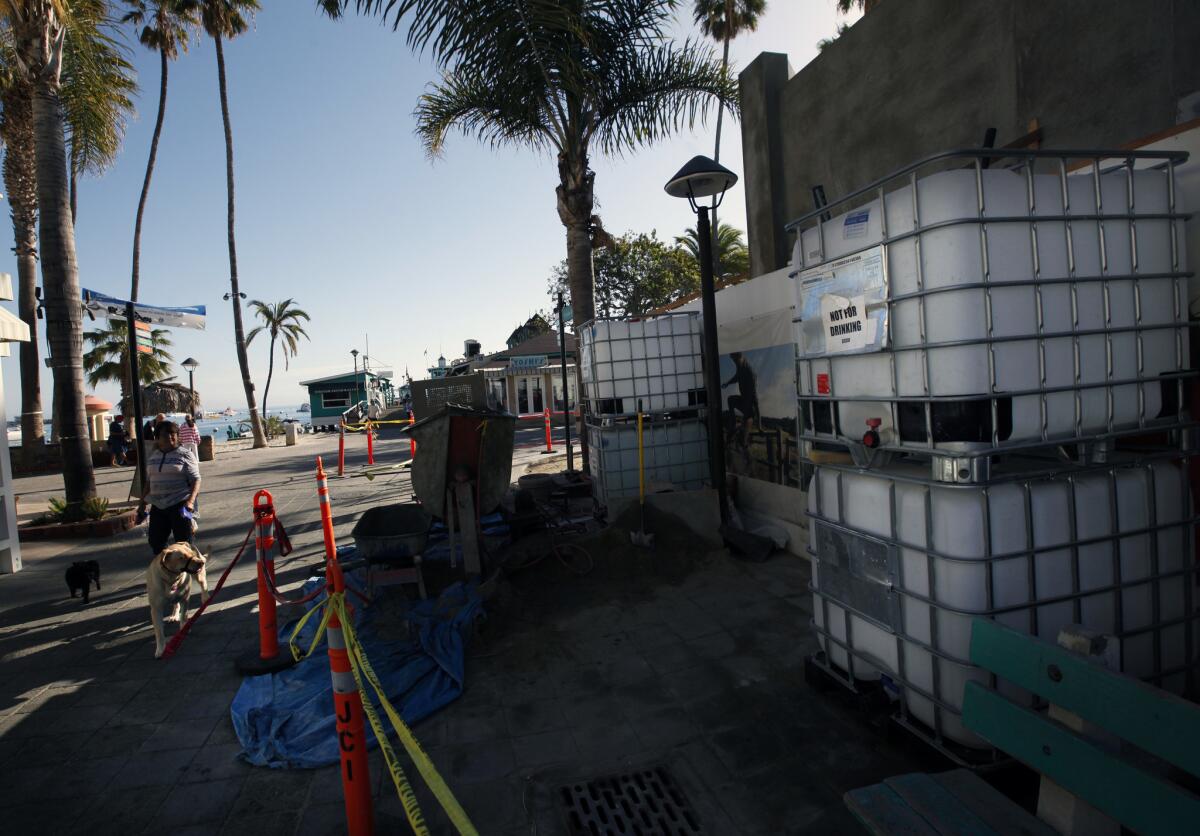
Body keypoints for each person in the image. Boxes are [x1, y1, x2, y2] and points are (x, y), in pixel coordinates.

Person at [138, 421, 201, 555]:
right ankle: (165, 570)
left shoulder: (185, 454)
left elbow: (196, 479)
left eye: (173, 434)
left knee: (184, 543)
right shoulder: (153, 456)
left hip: (180, 504)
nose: (171, 438)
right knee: (156, 542)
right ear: (157, 438)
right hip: (158, 505)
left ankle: (187, 571)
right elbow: (149, 482)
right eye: (165, 435)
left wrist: (190, 502)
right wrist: (142, 503)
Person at [722, 352, 760, 449]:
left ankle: (744, 444)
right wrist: (727, 383)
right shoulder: (740, 367)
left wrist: (760, 424)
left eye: (735, 361)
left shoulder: (750, 373)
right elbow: (737, 377)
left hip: (751, 410)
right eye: (733, 361)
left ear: (740, 357)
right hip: (743, 402)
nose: (735, 363)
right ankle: (733, 423)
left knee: (743, 440)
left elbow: (755, 399)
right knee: (730, 400)